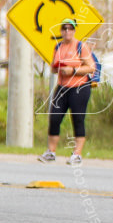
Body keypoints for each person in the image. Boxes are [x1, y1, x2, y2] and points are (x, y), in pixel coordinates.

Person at [39, 18, 95, 166]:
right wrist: (58, 67)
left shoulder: (80, 46)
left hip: (79, 87)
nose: (67, 31)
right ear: (61, 31)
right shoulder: (58, 47)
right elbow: (52, 68)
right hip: (62, 87)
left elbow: (91, 67)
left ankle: (77, 154)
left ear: (74, 30)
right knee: (54, 117)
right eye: (64, 29)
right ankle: (51, 152)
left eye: (70, 28)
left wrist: (73, 70)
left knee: (77, 119)